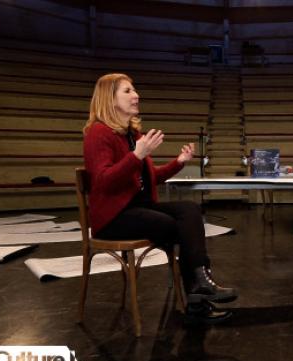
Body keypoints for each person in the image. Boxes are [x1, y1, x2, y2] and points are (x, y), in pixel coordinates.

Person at [83, 73, 237, 324]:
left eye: (134, 90)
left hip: (138, 209)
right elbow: (102, 182)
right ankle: (198, 297)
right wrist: (136, 156)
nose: (136, 95)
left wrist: (178, 163)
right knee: (175, 226)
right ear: (109, 99)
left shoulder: (132, 135)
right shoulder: (98, 133)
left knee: (189, 210)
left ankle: (200, 281)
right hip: (114, 218)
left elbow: (149, 178)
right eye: (128, 91)